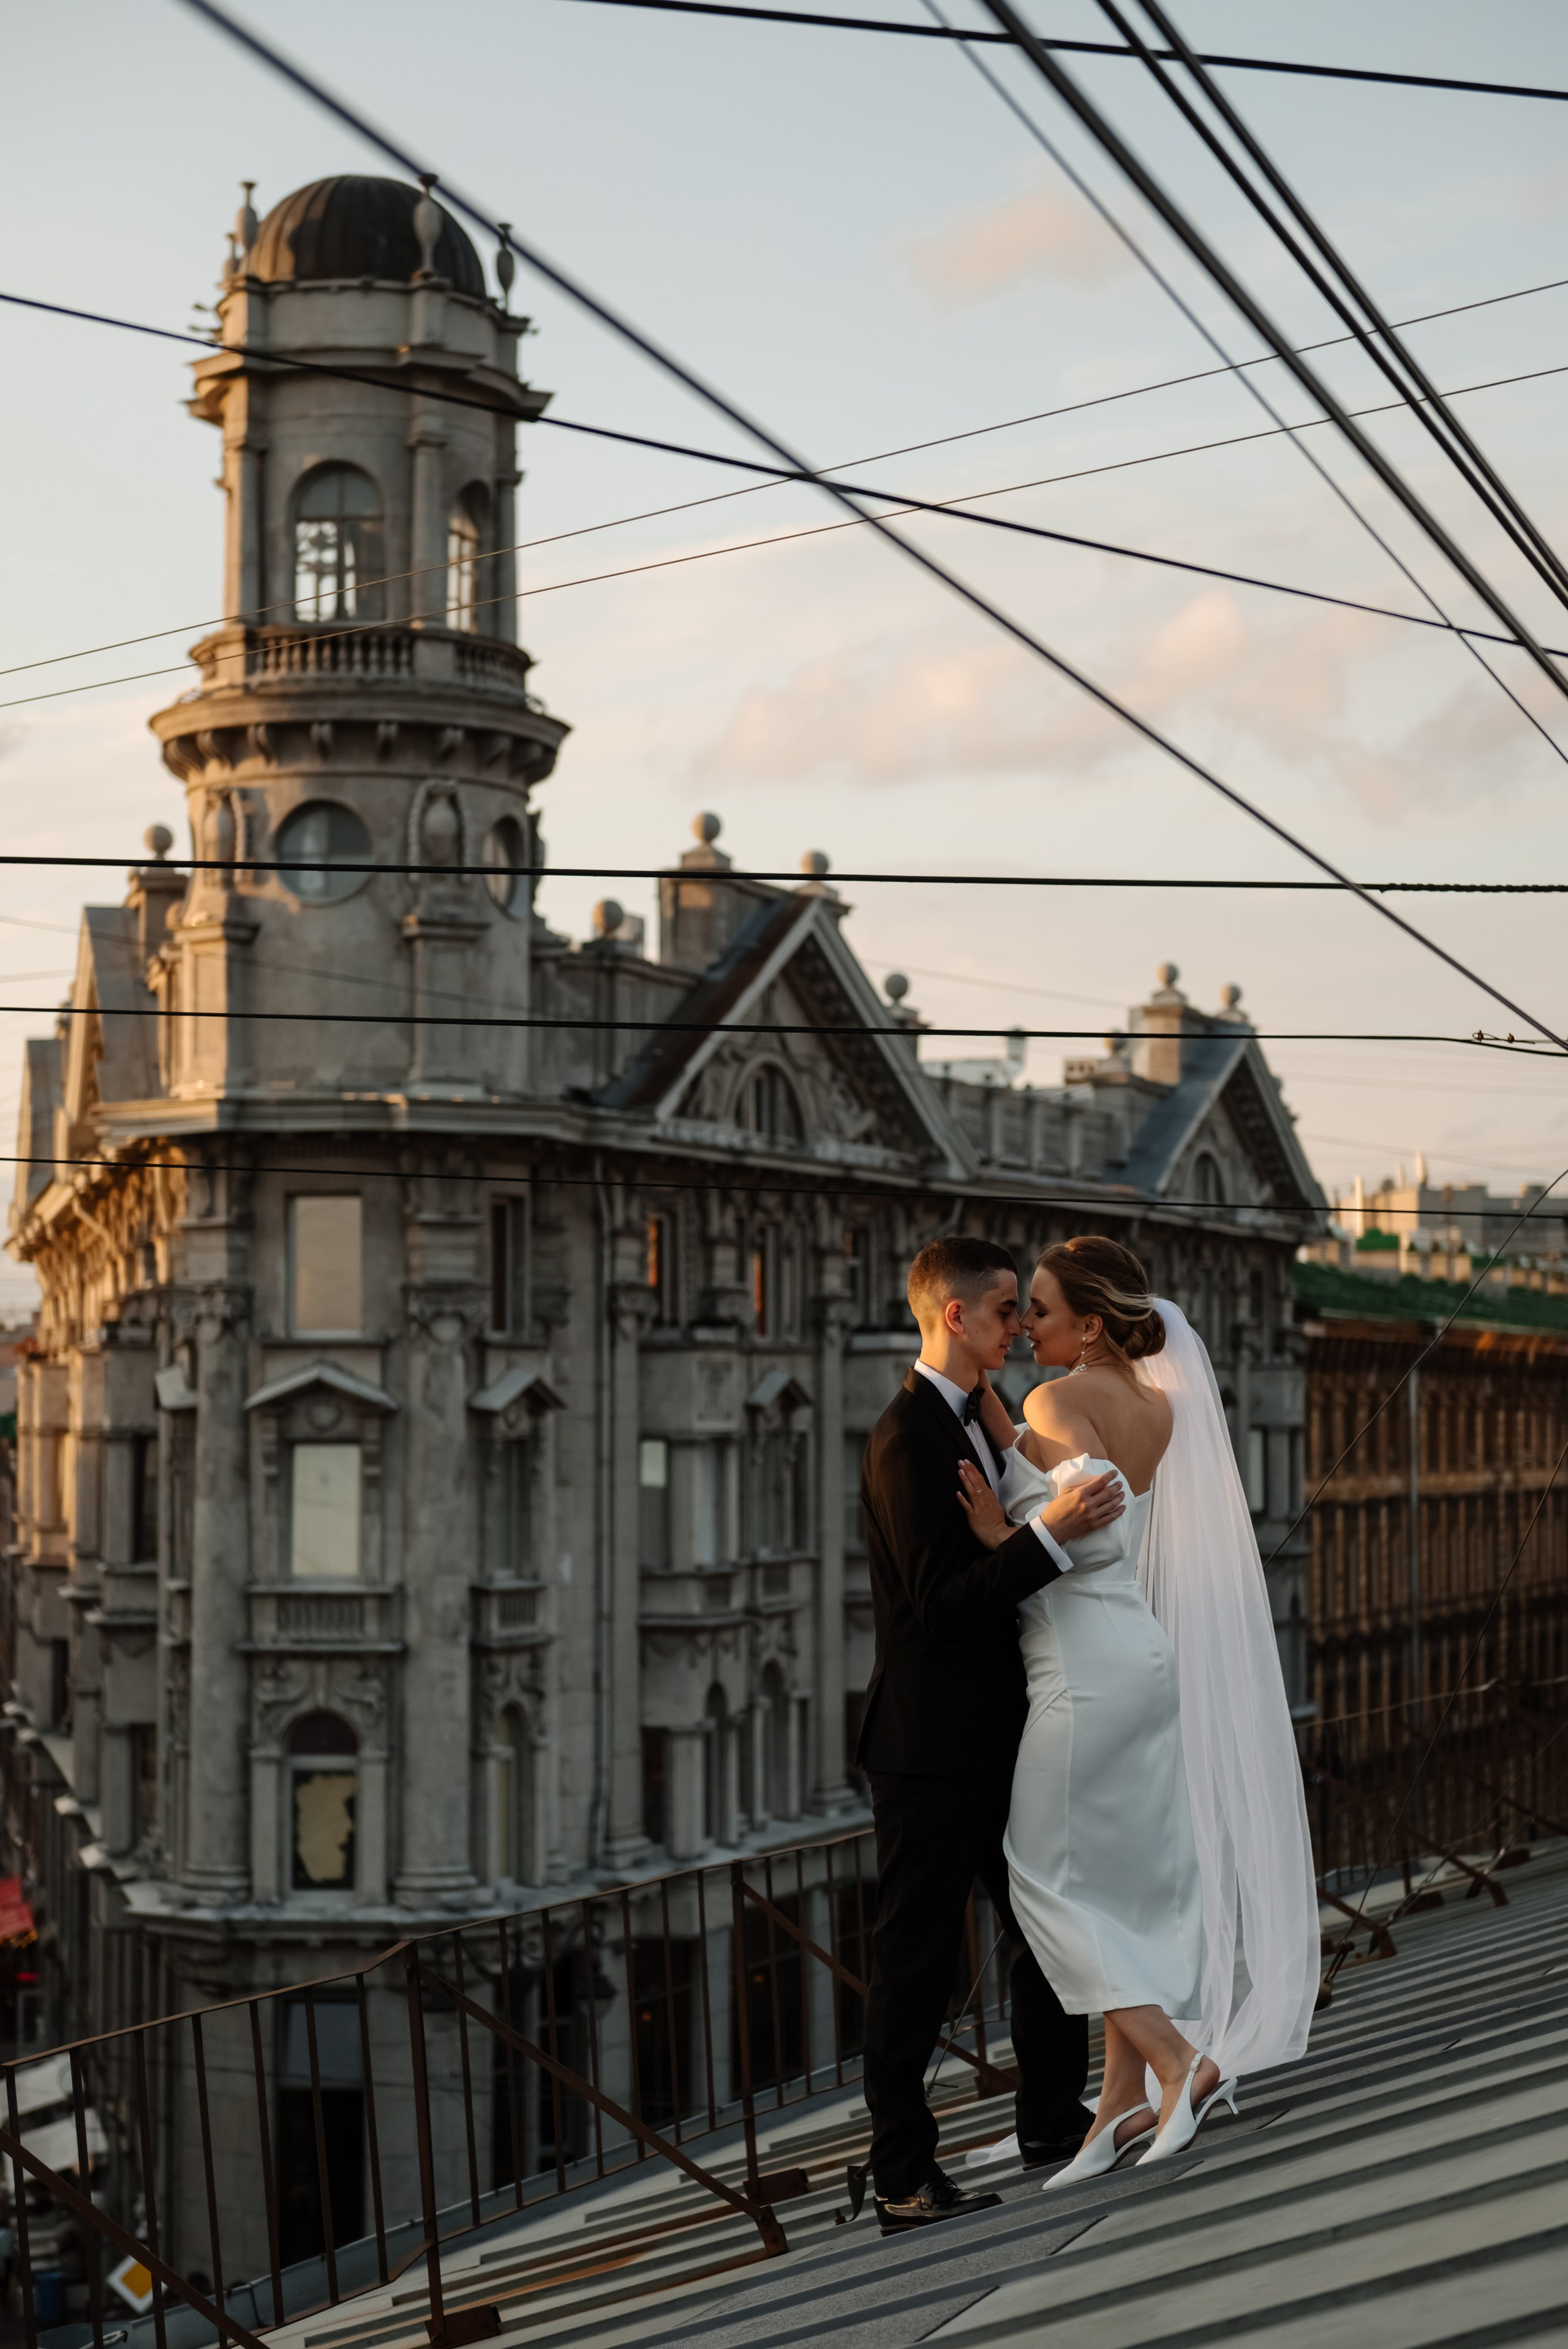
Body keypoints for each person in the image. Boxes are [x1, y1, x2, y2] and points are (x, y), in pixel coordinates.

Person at [959, 1235, 1319, 2186]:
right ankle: (1117, 2102)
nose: (1024, 1324)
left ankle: (1175, 2062)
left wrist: (1003, 1532)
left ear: (1087, 1324)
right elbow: (1073, 1472)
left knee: (1040, 1875)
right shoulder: (1157, 1407)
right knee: (1120, 1880)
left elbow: (1091, 1521)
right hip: (1138, 1653)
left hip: (1082, 1660)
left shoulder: (1056, 1397)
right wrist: (1006, 1437)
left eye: (1037, 1309)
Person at [855, 1235, 1128, 2234]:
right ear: (955, 1316)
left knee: (1043, 1931)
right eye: (1009, 1308)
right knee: (915, 1963)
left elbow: (984, 1568)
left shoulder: (977, 1420)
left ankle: (1052, 2125)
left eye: (1024, 1308)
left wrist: (1028, 1528)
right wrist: (1056, 1538)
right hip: (928, 1751)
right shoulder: (905, 1438)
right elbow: (939, 1607)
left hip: (996, 1734)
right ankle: (900, 2178)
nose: (1022, 1324)